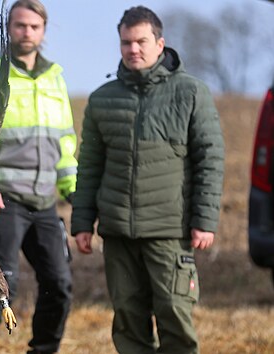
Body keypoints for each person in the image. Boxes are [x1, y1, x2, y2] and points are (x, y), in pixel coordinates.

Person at [71, 6, 225, 354]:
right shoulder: (102, 99)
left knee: (175, 315)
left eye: (141, 41)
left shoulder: (191, 93)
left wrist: (204, 221)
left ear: (160, 43)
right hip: (118, 234)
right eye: (126, 42)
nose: (133, 49)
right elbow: (90, 166)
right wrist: (82, 221)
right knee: (127, 320)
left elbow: (210, 160)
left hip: (170, 231)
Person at [0, 1, 77, 352]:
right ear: (8, 28)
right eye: (19, 25)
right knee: (1, 288)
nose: (26, 32)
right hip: (5, 201)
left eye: (33, 26)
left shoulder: (56, 79)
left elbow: (66, 140)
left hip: (45, 202)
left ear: (44, 30)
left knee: (59, 285)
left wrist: (73, 190)